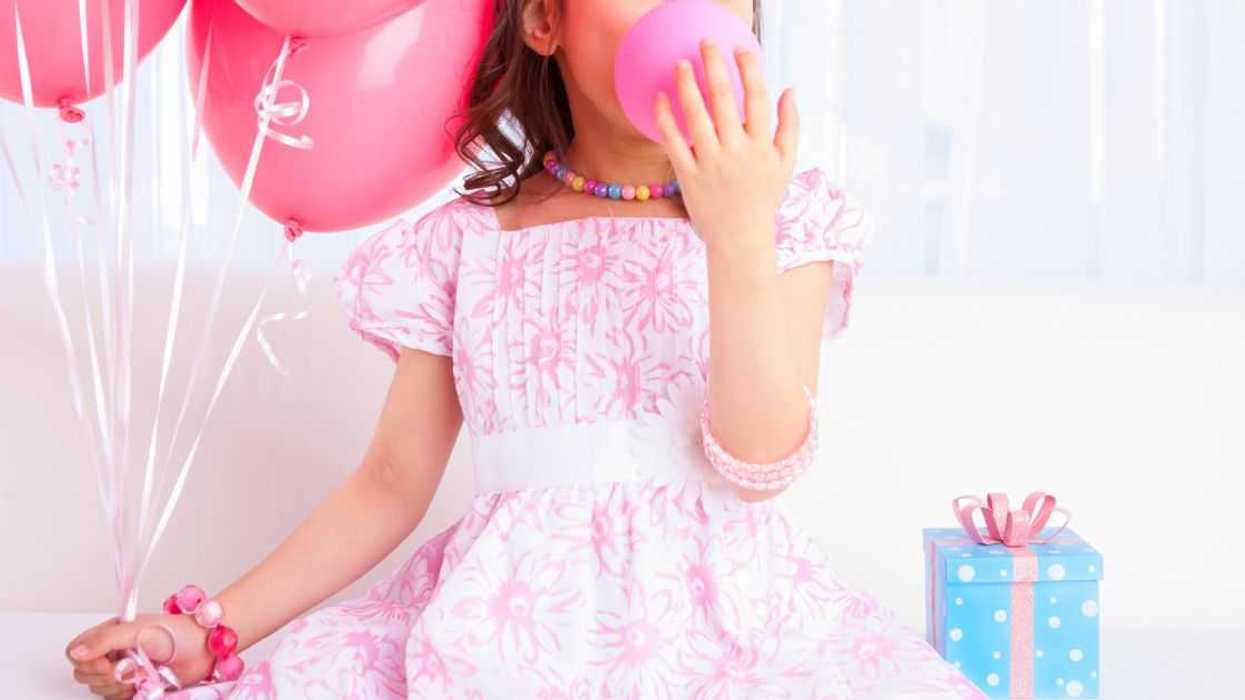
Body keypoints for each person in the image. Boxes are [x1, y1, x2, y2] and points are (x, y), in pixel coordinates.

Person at [65, 1, 985, 697]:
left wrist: (738, 235)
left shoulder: (783, 218)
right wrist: (213, 631)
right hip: (506, 624)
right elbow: (387, 486)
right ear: (546, 20)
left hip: (726, 620)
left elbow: (760, 463)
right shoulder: (468, 240)